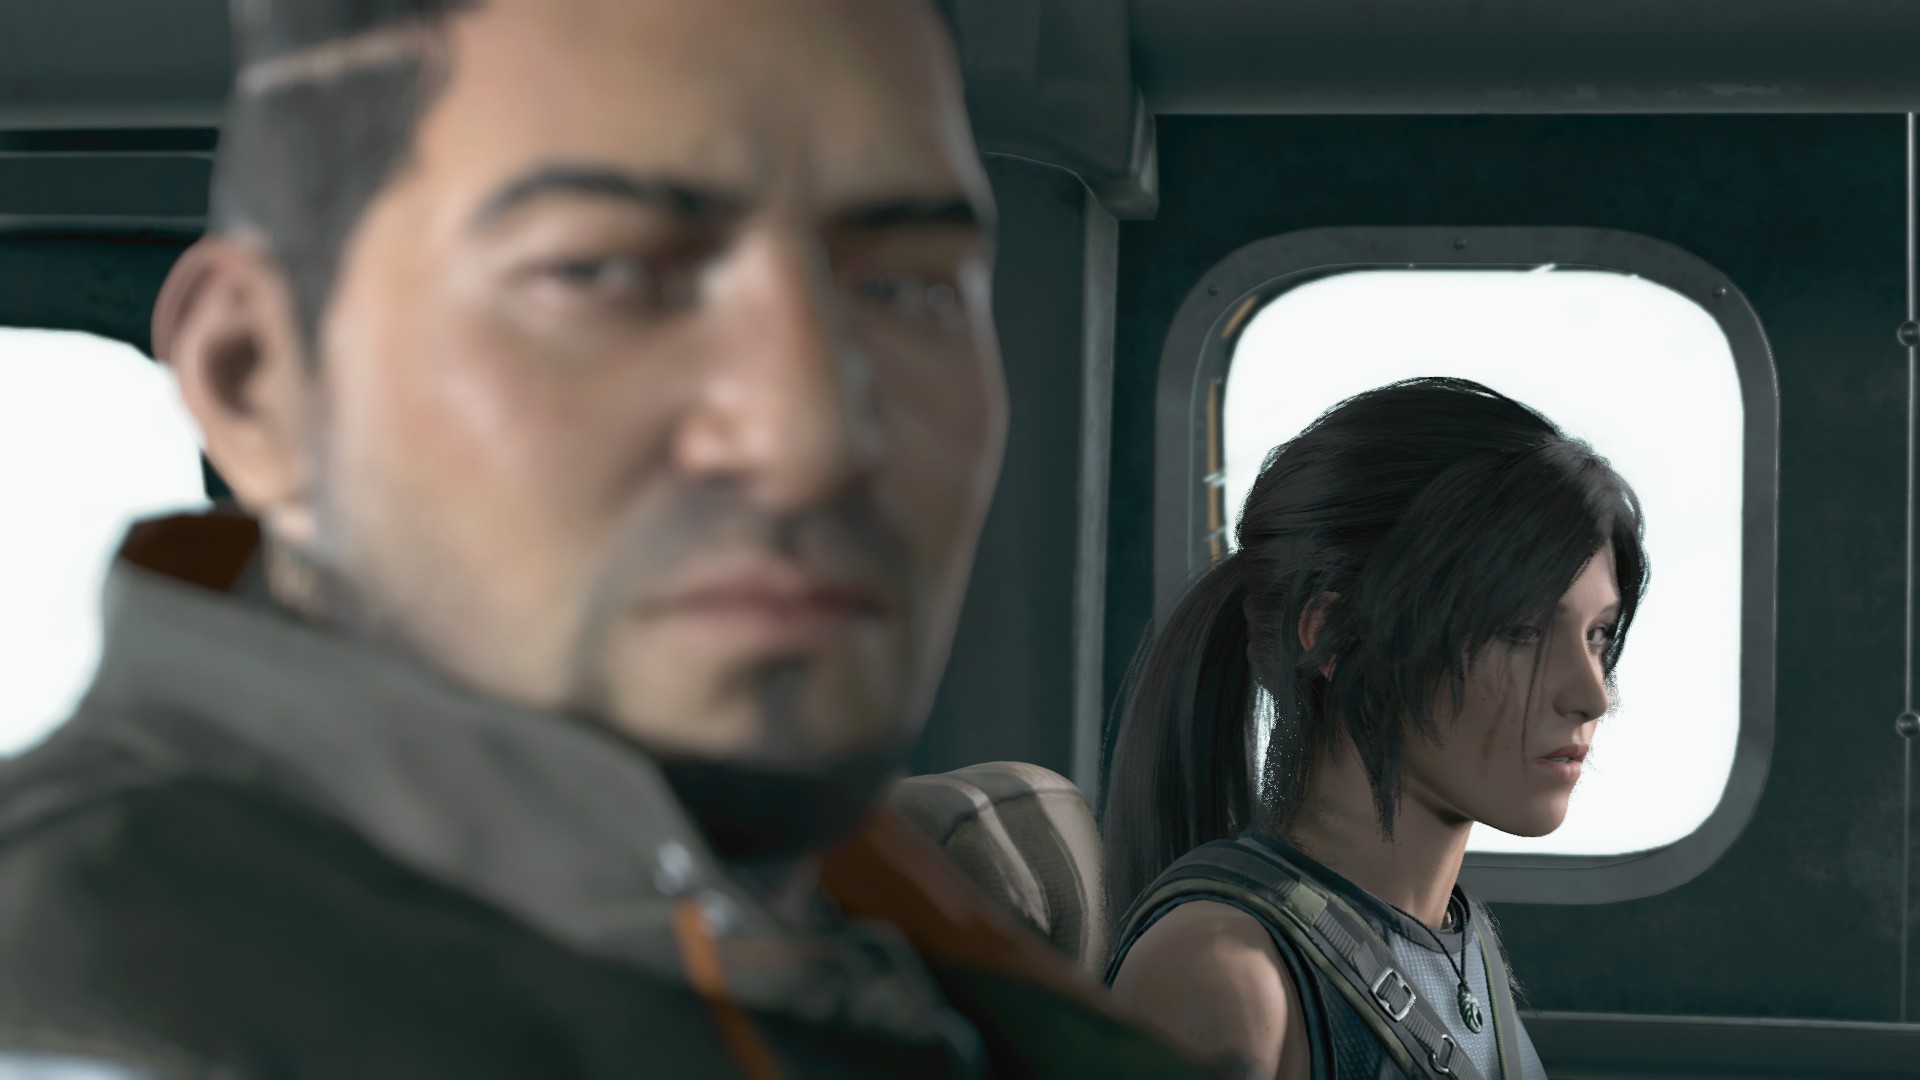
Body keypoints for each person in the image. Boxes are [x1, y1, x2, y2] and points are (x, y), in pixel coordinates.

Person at [0, 0, 1223, 1076]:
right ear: (258, 379)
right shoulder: (99, 1017)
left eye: (908, 288)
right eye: (607, 275)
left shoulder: (831, 924)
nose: (812, 435)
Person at [1102, 378, 1649, 1080]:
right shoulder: (1225, 978)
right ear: (1334, 635)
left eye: (1597, 635)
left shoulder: (1458, 942)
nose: (1590, 695)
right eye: (1521, 631)